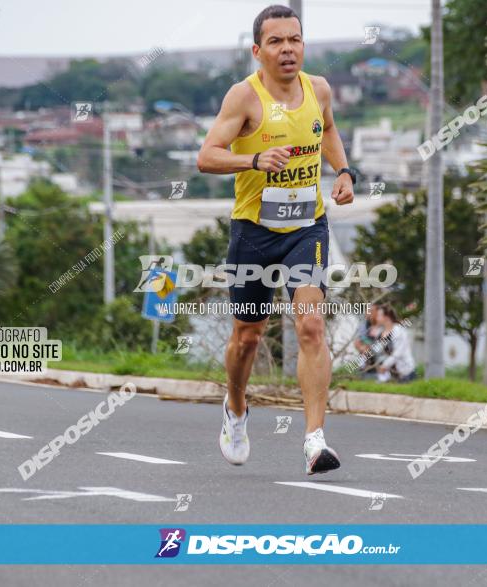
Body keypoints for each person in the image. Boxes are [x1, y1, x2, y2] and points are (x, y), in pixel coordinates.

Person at [196, 5, 356, 475]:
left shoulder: (319, 89)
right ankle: (237, 410)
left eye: (295, 40)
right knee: (248, 336)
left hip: (308, 228)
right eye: (276, 42)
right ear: (257, 51)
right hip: (255, 232)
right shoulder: (243, 98)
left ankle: (314, 439)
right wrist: (255, 160)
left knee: (311, 327)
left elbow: (326, 129)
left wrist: (342, 171)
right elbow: (206, 156)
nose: (287, 49)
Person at [374, 304, 416, 383]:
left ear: (387, 317)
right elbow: (378, 353)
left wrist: (385, 365)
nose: (376, 318)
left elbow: (398, 352)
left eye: (379, 315)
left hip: (405, 372)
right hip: (389, 375)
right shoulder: (380, 333)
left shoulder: (399, 331)